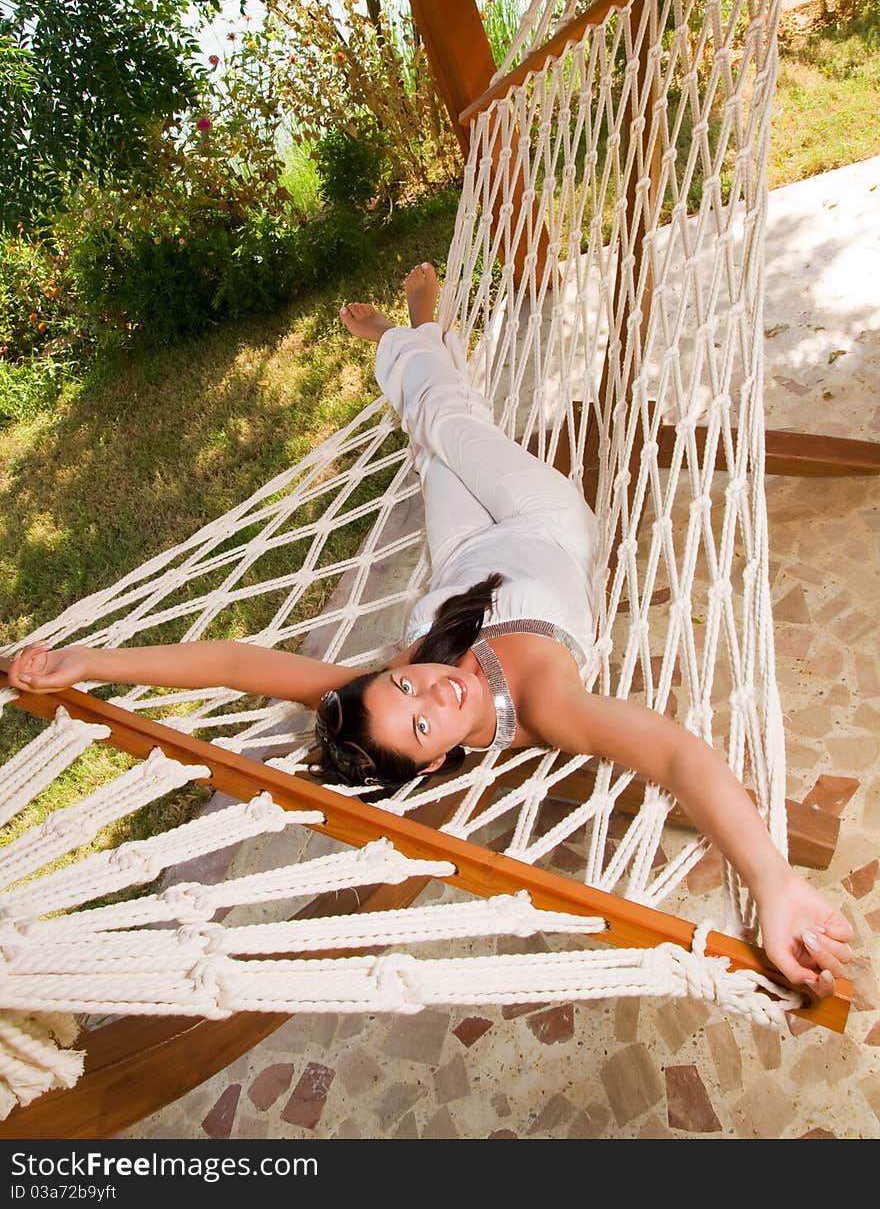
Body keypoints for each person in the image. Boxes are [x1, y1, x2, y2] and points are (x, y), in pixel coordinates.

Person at [9, 263, 853, 1001]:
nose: (432, 691)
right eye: (424, 725)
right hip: (545, 524)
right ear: (444, 760)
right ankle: (413, 336)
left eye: (403, 686)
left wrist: (92, 659)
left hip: (461, 562)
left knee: (440, 434)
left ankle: (417, 345)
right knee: (447, 427)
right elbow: (676, 756)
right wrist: (772, 884)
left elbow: (237, 661)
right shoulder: (548, 702)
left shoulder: (406, 672)